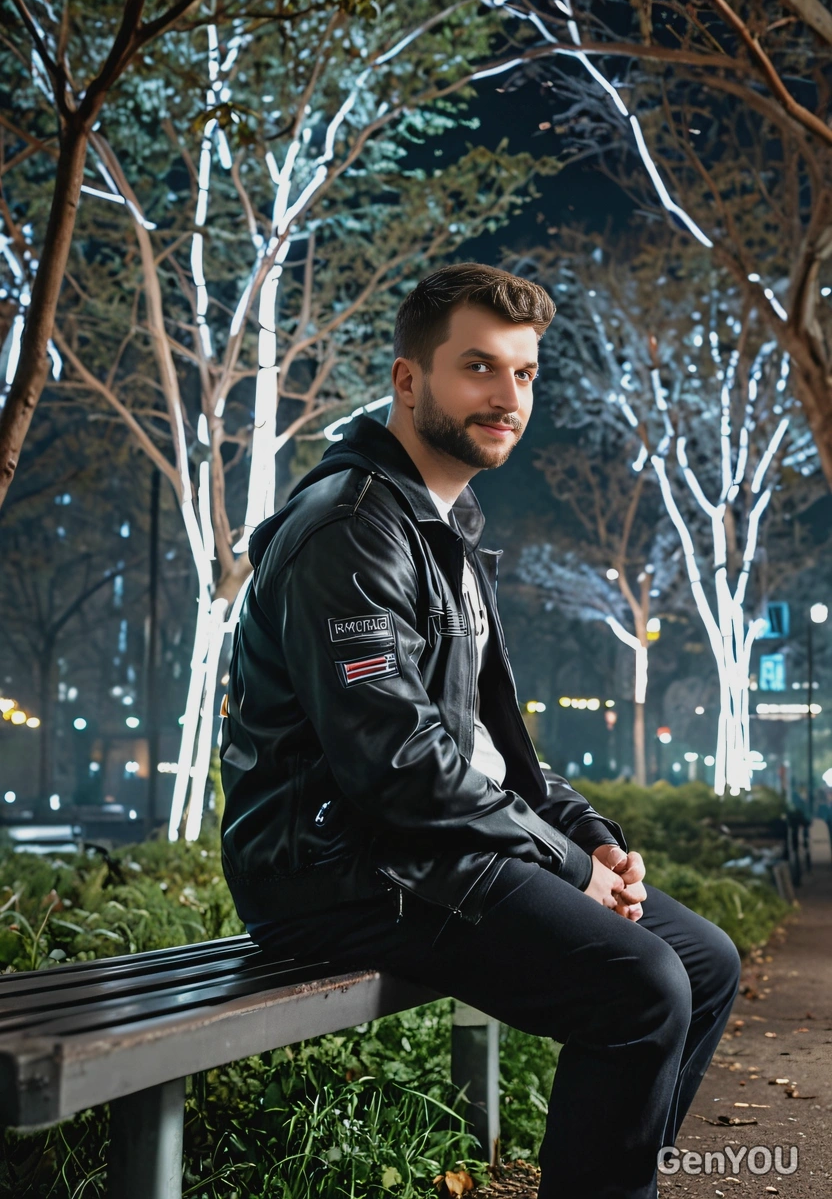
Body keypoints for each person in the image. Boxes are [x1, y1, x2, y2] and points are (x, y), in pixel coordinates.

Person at [219, 263, 742, 1199]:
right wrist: (561, 865)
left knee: (703, 961)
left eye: (525, 373)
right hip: (336, 869)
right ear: (409, 381)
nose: (508, 398)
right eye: (479, 369)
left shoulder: (443, 526)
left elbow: (493, 745)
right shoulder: (351, 529)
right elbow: (397, 763)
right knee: (642, 989)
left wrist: (589, 837)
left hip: (424, 849)